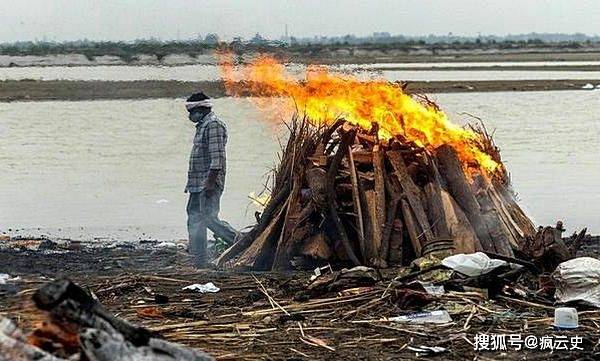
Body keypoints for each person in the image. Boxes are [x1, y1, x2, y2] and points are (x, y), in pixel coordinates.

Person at [185, 92, 237, 267]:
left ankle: (240, 243)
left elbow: (217, 159)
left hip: (207, 183)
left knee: (208, 218)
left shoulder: (214, 125)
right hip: (196, 184)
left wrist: (209, 183)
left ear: (201, 109)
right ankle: (199, 260)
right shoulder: (202, 126)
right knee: (194, 217)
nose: (190, 115)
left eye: (192, 111)